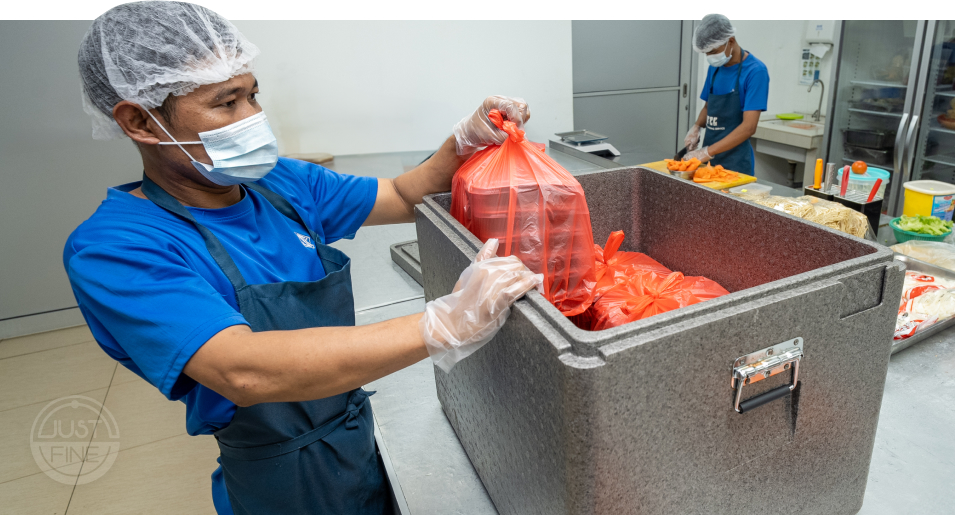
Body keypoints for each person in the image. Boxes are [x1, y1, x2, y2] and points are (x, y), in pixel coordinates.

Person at [64, 3, 541, 514]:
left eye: (252, 95)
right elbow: (242, 371)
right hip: (282, 479)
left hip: (353, 434)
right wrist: (446, 321)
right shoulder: (117, 248)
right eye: (226, 103)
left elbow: (403, 196)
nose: (253, 118)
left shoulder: (280, 184)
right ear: (140, 121)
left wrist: (462, 143)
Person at [683, 14, 770, 176]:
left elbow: (749, 127)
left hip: (735, 165)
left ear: (730, 41)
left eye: (713, 52)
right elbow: (708, 106)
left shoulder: (755, 71)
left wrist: (706, 152)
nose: (709, 57)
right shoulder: (715, 68)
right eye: (706, 53)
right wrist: (696, 127)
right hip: (708, 164)